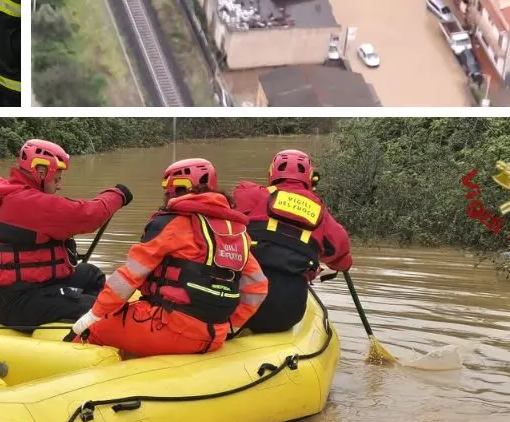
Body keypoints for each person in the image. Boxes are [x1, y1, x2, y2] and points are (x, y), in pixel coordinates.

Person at [71, 159, 268, 357]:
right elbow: (258, 287)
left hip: (170, 329)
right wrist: (231, 327)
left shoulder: (173, 223)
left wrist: (93, 316)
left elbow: (128, 277)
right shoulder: (238, 233)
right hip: (215, 336)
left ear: (174, 190)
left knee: (93, 331)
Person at [0, 139, 132, 328]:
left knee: (89, 274)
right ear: (41, 170)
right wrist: (117, 194)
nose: (59, 185)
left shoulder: (6, 194)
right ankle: (98, 319)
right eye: (57, 177)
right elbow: (88, 215)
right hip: (16, 302)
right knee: (102, 309)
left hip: (16, 290)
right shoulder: (27, 203)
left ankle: (85, 320)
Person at [231, 150, 353, 334]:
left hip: (239, 305)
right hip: (285, 313)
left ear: (271, 173)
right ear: (311, 179)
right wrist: (343, 264)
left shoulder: (250, 195)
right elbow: (341, 255)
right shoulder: (322, 215)